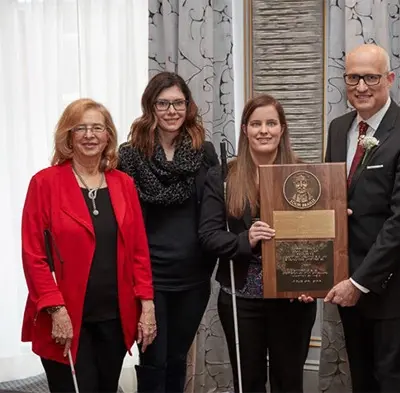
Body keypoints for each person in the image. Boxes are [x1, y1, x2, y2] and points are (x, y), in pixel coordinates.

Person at [21, 98, 156, 393]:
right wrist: (56, 310)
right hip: (65, 320)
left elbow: (138, 252)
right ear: (68, 136)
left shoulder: (124, 184)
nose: (89, 135)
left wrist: (147, 304)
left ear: (108, 135)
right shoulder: (44, 184)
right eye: (80, 128)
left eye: (97, 127)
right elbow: (34, 257)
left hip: (115, 318)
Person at [323, 44, 400, 392]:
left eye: (371, 77)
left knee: (393, 384)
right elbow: (332, 199)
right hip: (346, 283)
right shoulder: (338, 127)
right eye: (353, 77)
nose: (361, 86)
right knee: (362, 380)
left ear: (389, 79)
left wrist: (360, 282)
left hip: (391, 287)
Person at [199, 93, 317, 393]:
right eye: (256, 124)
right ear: (244, 129)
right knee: (247, 383)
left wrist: (312, 283)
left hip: (291, 300)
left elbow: (318, 238)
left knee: (288, 382)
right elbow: (209, 236)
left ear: (282, 129)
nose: (263, 130)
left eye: (271, 123)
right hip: (241, 300)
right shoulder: (223, 176)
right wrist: (245, 239)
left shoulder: (307, 175)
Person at [118, 72, 219, 392]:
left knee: (177, 358)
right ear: (151, 106)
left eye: (179, 103)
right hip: (149, 276)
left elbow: (216, 208)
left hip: (193, 275)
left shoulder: (204, 151)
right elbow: (122, 220)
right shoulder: (130, 155)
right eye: (164, 103)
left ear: (188, 106)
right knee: (152, 360)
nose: (172, 110)